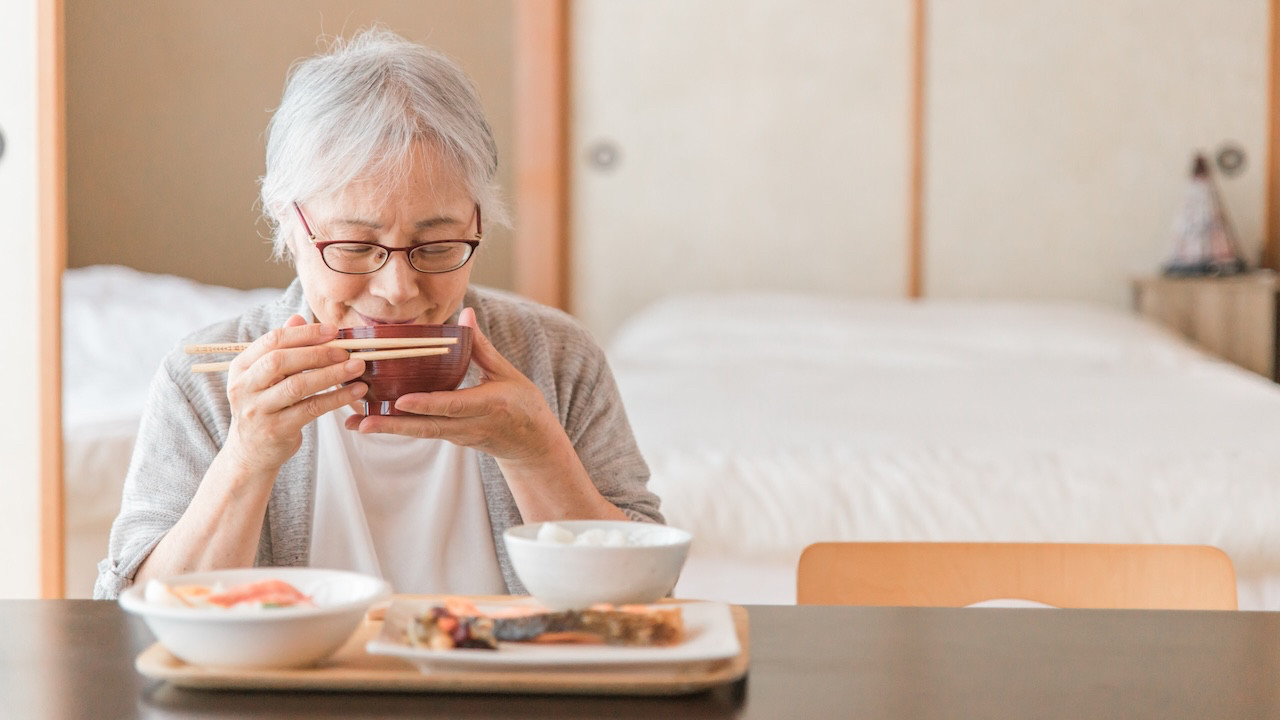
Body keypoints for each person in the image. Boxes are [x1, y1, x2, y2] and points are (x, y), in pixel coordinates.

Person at [94, 28, 662, 599]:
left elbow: (647, 605)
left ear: (478, 226)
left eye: (436, 246)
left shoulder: (558, 359)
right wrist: (247, 456)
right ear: (291, 227)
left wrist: (538, 452)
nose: (396, 289)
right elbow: (132, 626)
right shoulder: (208, 381)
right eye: (355, 246)